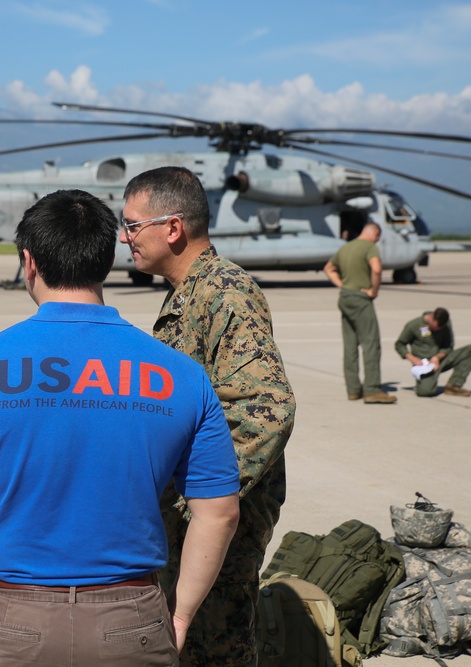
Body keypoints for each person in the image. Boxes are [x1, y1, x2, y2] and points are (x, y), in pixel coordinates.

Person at [0, 189, 241, 666]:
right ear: (105, 261)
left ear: (30, 262)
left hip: (13, 617)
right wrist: (181, 615)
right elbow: (219, 514)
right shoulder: (182, 375)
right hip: (133, 619)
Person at [121, 166, 296, 667]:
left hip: (220, 518)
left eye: (133, 225)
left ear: (172, 228)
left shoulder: (224, 292)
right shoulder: (189, 293)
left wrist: (204, 496)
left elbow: (267, 409)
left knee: (215, 644)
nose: (125, 236)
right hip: (197, 512)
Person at [323, 221, 397, 404]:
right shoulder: (369, 248)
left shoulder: (346, 248)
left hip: (345, 297)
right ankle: (372, 389)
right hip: (361, 299)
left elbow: (328, 268)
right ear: (375, 234)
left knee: (350, 345)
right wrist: (373, 291)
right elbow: (377, 269)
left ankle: (353, 389)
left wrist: (343, 285)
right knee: (371, 344)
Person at [395, 307, 471, 397]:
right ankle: (427, 381)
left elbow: (448, 347)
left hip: (441, 360)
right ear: (431, 317)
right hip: (424, 366)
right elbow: (400, 344)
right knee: (425, 392)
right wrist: (412, 358)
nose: (436, 330)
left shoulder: (446, 325)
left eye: (439, 329)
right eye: (433, 327)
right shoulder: (414, 325)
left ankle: (454, 385)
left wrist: (437, 358)